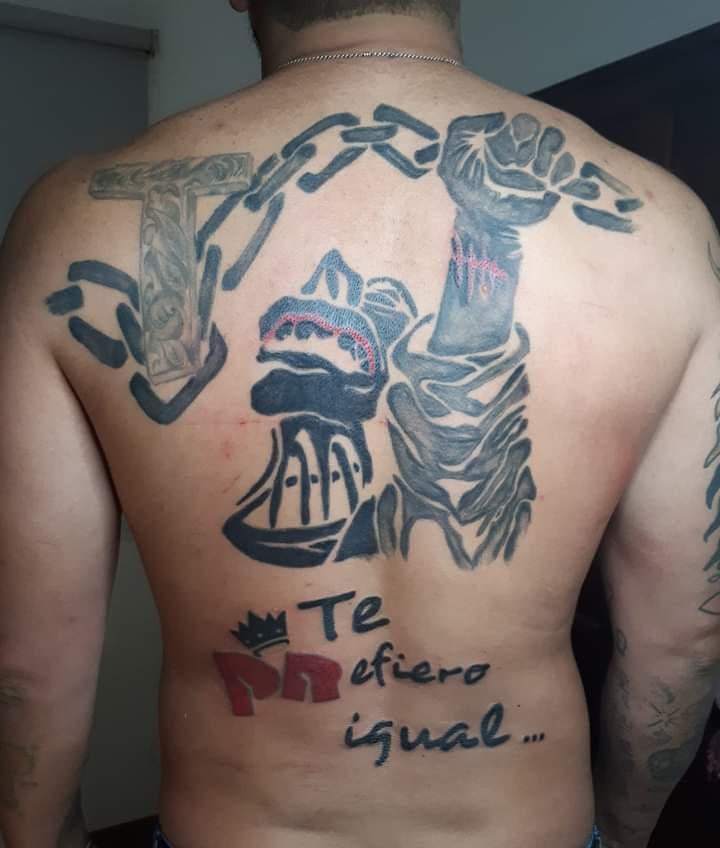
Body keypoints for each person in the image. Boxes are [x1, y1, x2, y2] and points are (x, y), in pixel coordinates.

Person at [1, 1, 719, 846]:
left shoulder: (73, 222)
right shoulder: (663, 230)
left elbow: (27, 667)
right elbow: (683, 641)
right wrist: (625, 833)